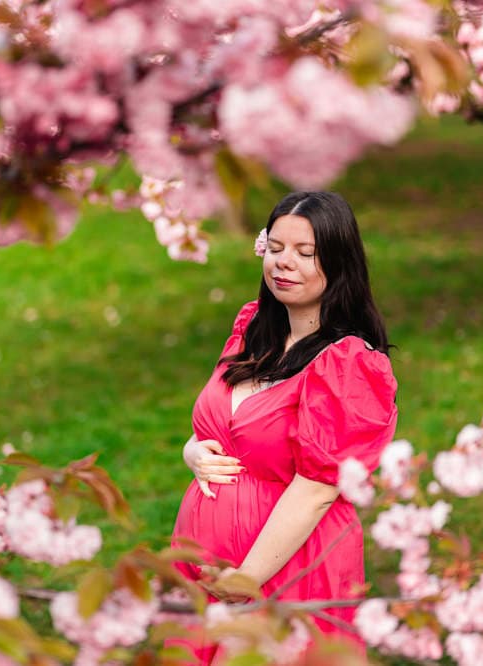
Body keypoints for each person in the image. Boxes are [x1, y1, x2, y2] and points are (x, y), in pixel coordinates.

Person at [170, 191, 398, 662]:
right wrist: (192, 452)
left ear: (338, 261)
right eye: (275, 248)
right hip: (204, 558)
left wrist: (247, 577)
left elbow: (318, 487)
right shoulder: (253, 327)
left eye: (304, 252)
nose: (283, 263)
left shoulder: (347, 364)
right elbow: (226, 426)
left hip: (283, 566)